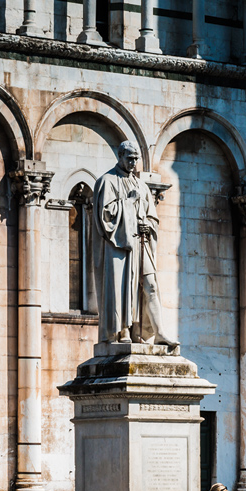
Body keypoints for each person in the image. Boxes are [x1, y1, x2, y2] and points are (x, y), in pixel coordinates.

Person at [93, 140, 178, 347]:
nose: (133, 163)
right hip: (120, 246)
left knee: (151, 286)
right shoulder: (107, 181)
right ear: (120, 157)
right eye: (129, 159)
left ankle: (159, 333)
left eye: (135, 159)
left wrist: (149, 226)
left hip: (141, 243)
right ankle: (121, 332)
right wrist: (129, 204)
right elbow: (105, 216)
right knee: (121, 289)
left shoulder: (141, 185)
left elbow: (152, 216)